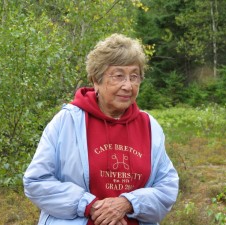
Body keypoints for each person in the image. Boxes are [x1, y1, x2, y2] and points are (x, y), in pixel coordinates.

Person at [23, 33, 179, 225]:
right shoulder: (67, 121)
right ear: (96, 80)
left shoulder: (149, 126)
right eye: (118, 76)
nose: (128, 86)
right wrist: (90, 206)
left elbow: (167, 187)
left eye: (134, 76)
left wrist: (127, 203)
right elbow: (36, 181)